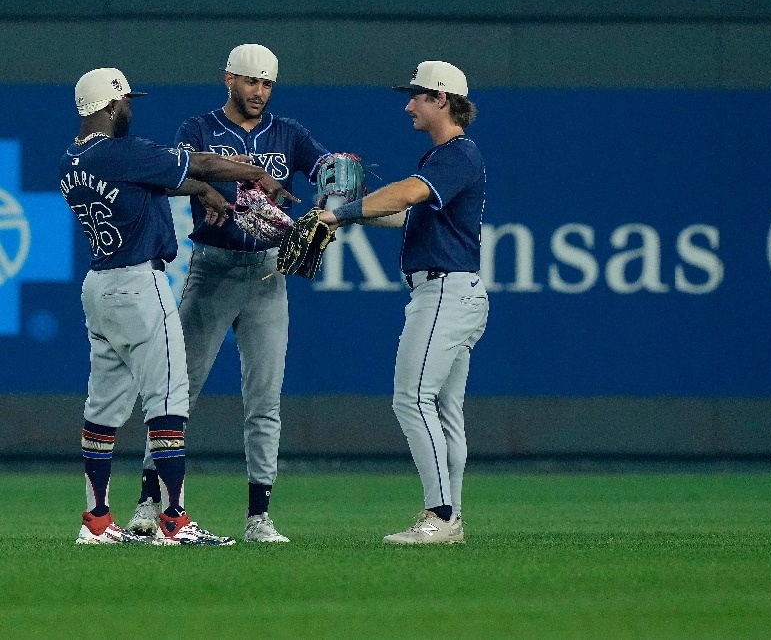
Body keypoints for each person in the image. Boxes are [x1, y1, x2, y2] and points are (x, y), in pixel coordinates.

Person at [62, 67, 293, 545]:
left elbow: (152, 181)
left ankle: (97, 521)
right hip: (138, 286)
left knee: (103, 407)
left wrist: (202, 191)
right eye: (126, 102)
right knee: (168, 400)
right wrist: (254, 172)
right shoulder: (125, 151)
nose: (130, 108)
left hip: (99, 286)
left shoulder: (72, 159)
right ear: (109, 106)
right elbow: (201, 162)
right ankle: (174, 520)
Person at [126, 44, 335, 543]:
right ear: (229, 80)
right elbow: (177, 176)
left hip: (267, 277)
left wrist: (333, 200)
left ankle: (258, 517)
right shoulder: (197, 130)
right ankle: (149, 503)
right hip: (213, 272)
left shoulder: (288, 134)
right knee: (177, 390)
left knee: (264, 401)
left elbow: (330, 172)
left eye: (267, 84)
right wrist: (207, 184)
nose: (259, 91)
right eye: (250, 82)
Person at [320, 61, 488, 545]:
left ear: (442, 99)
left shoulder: (455, 155)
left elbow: (407, 195)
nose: (408, 104)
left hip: (444, 293)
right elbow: (404, 214)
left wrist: (343, 211)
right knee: (443, 408)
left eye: (416, 95)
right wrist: (344, 218)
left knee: (411, 399)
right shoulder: (447, 156)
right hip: (454, 291)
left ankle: (439, 514)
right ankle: (451, 519)